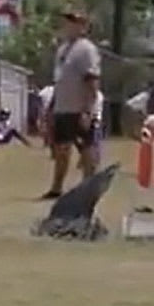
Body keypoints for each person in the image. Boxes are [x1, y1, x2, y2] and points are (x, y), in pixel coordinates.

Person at [44, 10, 102, 198]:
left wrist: (87, 110)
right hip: (63, 107)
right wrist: (52, 108)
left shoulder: (86, 49)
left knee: (87, 149)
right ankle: (57, 188)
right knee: (61, 149)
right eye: (67, 21)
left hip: (79, 107)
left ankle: (88, 188)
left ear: (83, 26)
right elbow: (59, 81)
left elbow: (91, 81)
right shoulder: (63, 50)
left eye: (74, 22)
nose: (69, 25)